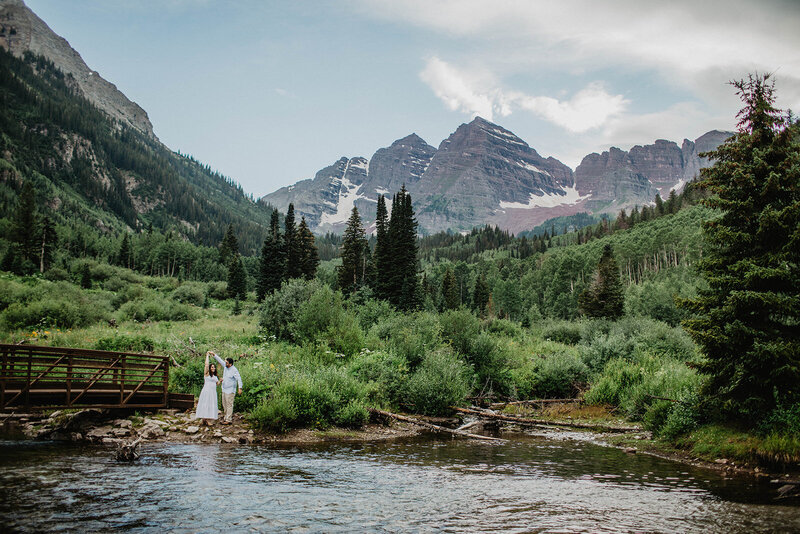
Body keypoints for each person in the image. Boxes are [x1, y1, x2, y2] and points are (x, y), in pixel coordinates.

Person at [211, 351, 242, 424]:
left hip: (230, 390)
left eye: (226, 363)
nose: (225, 363)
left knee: (229, 405)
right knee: (224, 404)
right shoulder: (225, 366)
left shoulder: (234, 370)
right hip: (224, 389)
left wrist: (240, 388)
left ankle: (228, 420)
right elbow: (220, 360)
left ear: (230, 364)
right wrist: (214, 355)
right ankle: (225, 417)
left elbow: (239, 379)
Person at [194, 352, 220, 425]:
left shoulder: (215, 376)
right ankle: (205, 419)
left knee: (211, 404)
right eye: (212, 367)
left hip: (213, 392)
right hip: (207, 390)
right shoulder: (207, 374)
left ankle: (208, 419)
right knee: (206, 403)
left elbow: (217, 383)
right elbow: (206, 365)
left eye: (214, 367)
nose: (213, 368)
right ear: (209, 368)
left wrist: (220, 381)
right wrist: (207, 356)